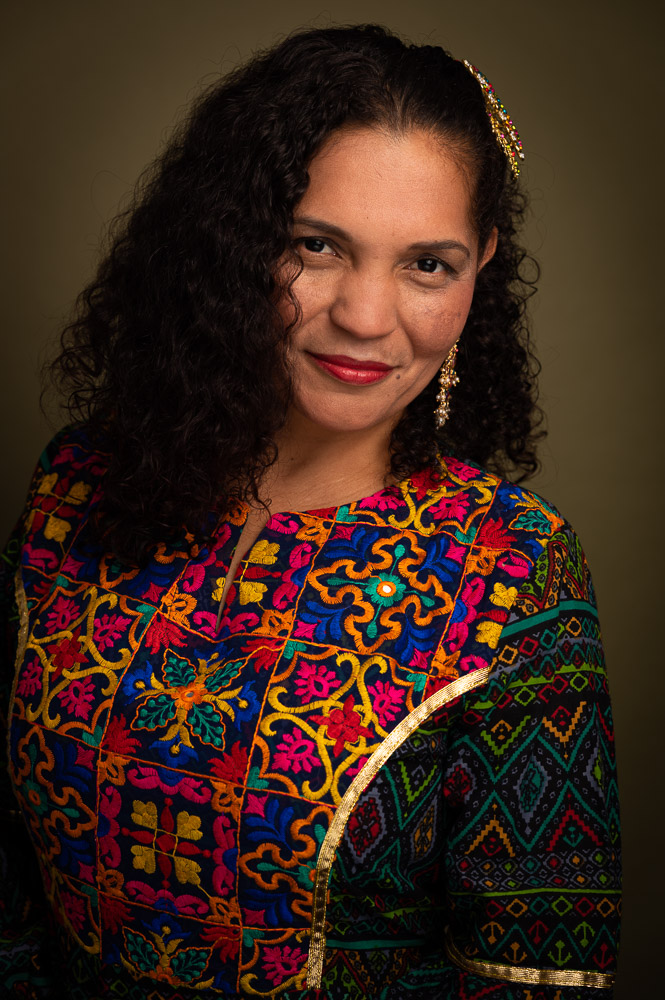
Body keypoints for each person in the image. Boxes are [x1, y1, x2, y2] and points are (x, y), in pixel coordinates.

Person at [0, 23, 620, 1000]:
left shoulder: (511, 564)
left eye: (427, 264)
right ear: (232, 242)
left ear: (482, 264)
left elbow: (536, 966)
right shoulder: (74, 485)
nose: (366, 317)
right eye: (315, 246)